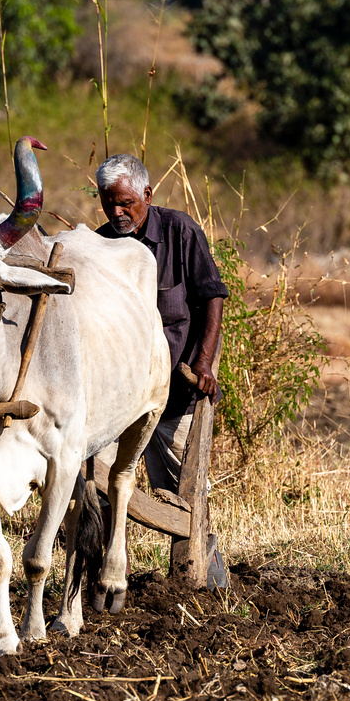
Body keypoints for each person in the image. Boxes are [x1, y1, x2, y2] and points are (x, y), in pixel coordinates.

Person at [94, 153, 227, 495]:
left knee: (181, 491)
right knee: (99, 484)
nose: (117, 213)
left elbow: (213, 296)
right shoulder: (100, 245)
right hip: (118, 393)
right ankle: (98, 547)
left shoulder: (180, 231)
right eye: (109, 205)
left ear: (148, 196)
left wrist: (204, 362)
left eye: (127, 204)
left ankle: (200, 550)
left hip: (175, 390)